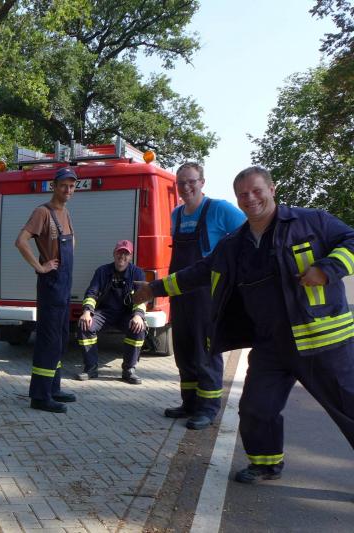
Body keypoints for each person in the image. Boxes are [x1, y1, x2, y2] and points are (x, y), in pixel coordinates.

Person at [134, 166, 354, 484]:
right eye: (242, 194)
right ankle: (265, 465)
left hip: (322, 341)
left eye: (256, 190)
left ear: (272, 189)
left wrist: (328, 268)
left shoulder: (310, 221)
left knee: (348, 407)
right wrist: (153, 289)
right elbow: (199, 272)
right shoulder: (234, 244)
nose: (250, 198)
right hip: (271, 345)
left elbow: (351, 239)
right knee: (255, 409)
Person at [165, 163, 246, 430]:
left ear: (202, 182)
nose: (186, 187)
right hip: (180, 293)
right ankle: (189, 403)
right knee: (184, 350)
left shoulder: (219, 209)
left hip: (206, 295)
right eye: (181, 183)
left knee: (205, 352)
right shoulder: (176, 214)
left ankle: (208, 408)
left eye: (191, 181)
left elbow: (249, 233)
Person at [15, 167, 79, 413]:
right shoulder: (43, 212)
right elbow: (21, 241)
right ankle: (40, 396)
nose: (68, 190)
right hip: (51, 285)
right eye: (64, 185)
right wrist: (41, 267)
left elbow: (72, 242)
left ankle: (54, 388)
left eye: (72, 186)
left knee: (60, 337)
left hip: (64, 284)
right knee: (48, 339)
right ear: (54, 186)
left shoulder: (66, 213)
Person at [76, 240, 147, 385]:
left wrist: (138, 316)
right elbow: (91, 293)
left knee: (139, 328)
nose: (122, 256)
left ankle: (129, 370)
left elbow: (142, 297)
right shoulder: (102, 271)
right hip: (105, 314)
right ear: (114, 254)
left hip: (126, 315)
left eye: (126, 254)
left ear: (131, 256)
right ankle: (91, 368)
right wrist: (87, 312)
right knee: (84, 326)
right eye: (119, 252)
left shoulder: (137, 273)